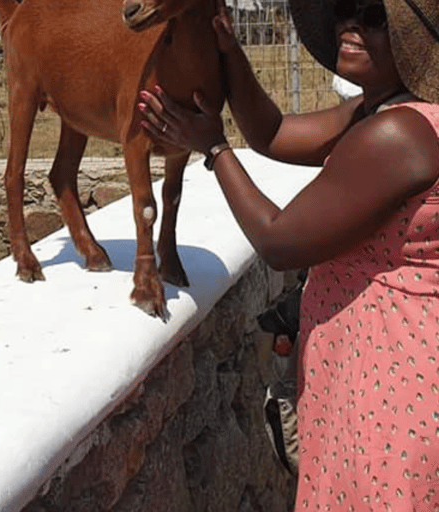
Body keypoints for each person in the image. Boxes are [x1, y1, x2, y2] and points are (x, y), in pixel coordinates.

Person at [138, 0, 439, 509]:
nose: (350, 24)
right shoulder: (378, 112)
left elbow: (279, 241)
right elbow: (272, 133)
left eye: (373, 16)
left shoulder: (399, 134)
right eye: (346, 8)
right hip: (370, 373)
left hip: (394, 384)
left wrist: (213, 149)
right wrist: (230, 55)